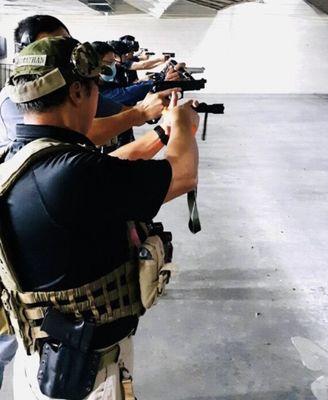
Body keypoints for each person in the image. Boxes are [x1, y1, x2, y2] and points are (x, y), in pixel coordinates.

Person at [0, 36, 198, 399]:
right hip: (87, 374)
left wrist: (159, 132)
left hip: (41, 361)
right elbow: (183, 173)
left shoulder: (18, 159)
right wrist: (183, 124)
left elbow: (107, 167)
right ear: (78, 92)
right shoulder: (72, 174)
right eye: (94, 87)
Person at [0, 14, 174, 148]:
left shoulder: (75, 86)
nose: (64, 52)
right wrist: (141, 114)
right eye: (51, 46)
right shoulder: (18, 95)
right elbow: (76, 134)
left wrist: (159, 109)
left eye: (67, 44)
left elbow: (119, 109)